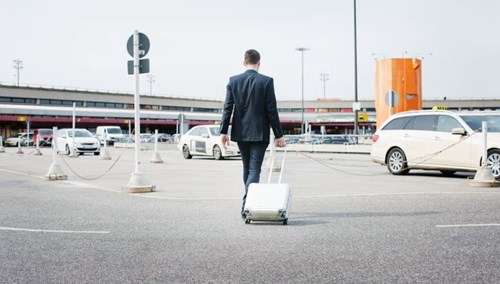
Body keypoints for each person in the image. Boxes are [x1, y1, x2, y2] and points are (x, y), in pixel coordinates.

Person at [220, 49, 286, 218]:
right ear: (259, 63)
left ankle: (248, 199)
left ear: (244, 62)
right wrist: (278, 134)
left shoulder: (233, 81)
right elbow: (272, 110)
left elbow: (228, 107)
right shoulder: (266, 81)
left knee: (247, 167)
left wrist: (223, 131)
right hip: (259, 132)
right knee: (254, 169)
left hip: (240, 131)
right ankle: (247, 203)